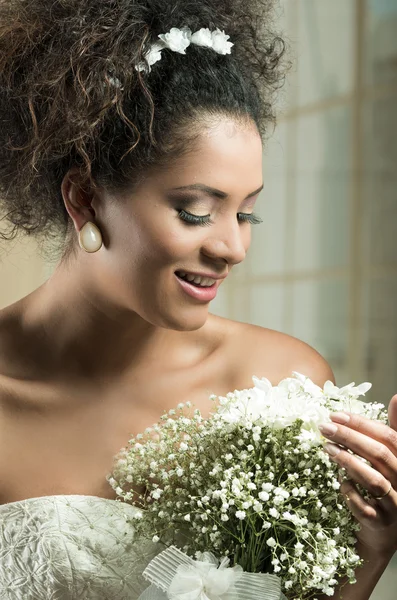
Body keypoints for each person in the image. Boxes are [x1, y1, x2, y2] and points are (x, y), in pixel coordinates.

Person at [0, 1, 396, 599]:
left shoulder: (278, 385)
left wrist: (371, 551)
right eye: (196, 212)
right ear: (84, 197)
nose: (233, 247)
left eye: (246, 212)